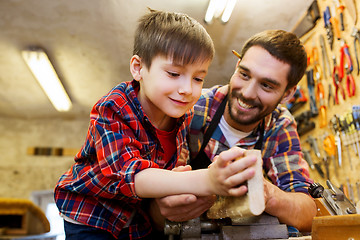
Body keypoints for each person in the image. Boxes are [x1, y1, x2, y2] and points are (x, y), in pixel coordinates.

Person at [54, 9, 260, 240]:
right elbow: (132, 176)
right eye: (174, 73)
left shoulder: (184, 116)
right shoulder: (114, 107)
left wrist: (180, 179)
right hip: (92, 216)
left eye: (198, 78)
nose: (187, 89)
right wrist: (206, 180)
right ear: (138, 68)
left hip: (136, 222)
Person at [152, 30, 317, 233]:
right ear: (237, 66)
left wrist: (267, 193)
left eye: (266, 85)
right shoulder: (191, 108)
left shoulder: (279, 125)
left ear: (288, 94)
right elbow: (152, 208)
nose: (247, 93)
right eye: (244, 75)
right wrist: (167, 205)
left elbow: (309, 213)